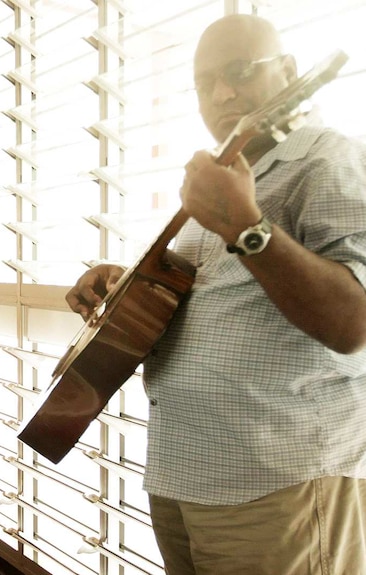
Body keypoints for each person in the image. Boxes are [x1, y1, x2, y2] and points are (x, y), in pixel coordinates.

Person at [66, 15, 366, 575]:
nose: (221, 93)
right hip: (186, 476)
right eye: (205, 83)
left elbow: (354, 322)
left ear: (288, 71)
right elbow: (210, 296)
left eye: (240, 72)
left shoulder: (331, 161)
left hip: (277, 483)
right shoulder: (226, 177)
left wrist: (245, 226)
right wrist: (124, 283)